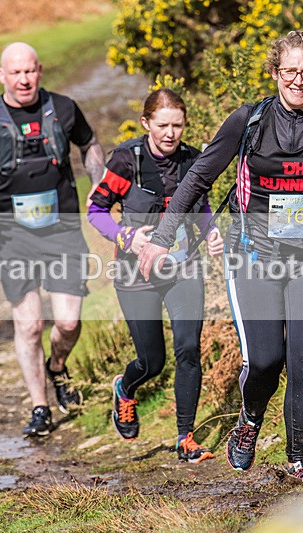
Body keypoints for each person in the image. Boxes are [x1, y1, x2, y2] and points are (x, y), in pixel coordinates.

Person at [138, 31, 303, 481]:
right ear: (275, 72)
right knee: (266, 360)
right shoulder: (248, 121)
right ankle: (249, 421)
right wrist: (162, 237)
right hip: (253, 254)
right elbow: (196, 180)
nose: (299, 80)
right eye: (290, 71)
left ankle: (297, 462)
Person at [0, 42, 105, 437]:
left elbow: (91, 144)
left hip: (63, 229)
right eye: (15, 73)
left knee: (67, 322)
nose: (23, 79)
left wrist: (98, 183)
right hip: (13, 237)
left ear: (40, 70)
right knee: (30, 324)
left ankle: (58, 367)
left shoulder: (64, 108)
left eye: (29, 71)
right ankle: (40, 406)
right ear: (2, 76)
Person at [87, 88, 224, 462]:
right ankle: (125, 387)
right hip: (135, 273)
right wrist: (125, 236)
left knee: (189, 348)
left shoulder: (194, 160)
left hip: (183, 267)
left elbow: (202, 208)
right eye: (163, 125)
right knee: (153, 362)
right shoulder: (126, 160)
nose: (170, 133)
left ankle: (185, 438)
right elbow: (97, 211)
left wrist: (211, 232)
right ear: (146, 123)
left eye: (177, 125)